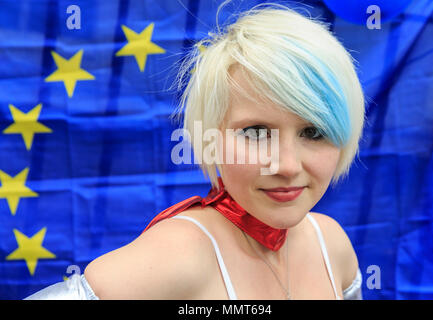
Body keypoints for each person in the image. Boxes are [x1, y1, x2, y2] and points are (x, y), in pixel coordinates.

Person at [25, 3, 365, 300]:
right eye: (257, 132)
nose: (288, 165)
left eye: (314, 132)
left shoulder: (332, 245)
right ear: (210, 137)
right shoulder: (179, 256)